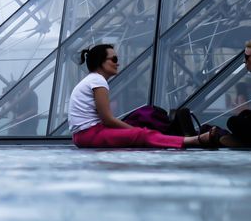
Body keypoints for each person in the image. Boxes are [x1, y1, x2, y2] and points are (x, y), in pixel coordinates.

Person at [70, 44, 217, 149]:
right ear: (100, 62)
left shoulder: (92, 80)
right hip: (89, 134)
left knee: (139, 132)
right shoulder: (97, 81)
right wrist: (132, 130)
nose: (118, 63)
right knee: (142, 134)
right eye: (114, 59)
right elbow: (107, 119)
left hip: (85, 135)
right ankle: (194, 140)